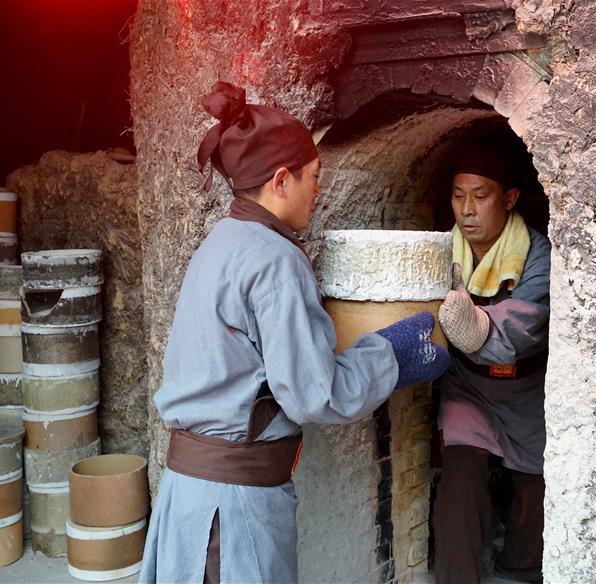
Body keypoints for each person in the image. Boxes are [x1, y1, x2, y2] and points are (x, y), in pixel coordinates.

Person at [139, 81, 450, 584]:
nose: (318, 192)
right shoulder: (275, 259)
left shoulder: (223, 242)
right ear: (281, 180)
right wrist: (391, 355)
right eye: (314, 178)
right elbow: (313, 394)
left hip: (193, 493)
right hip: (230, 507)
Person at [433, 143, 551, 584]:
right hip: (468, 385)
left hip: (526, 390)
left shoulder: (537, 254)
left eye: (480, 196)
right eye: (458, 195)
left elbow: (524, 326)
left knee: (533, 489)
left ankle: (518, 573)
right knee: (461, 476)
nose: (467, 209)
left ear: (510, 198)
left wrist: (475, 327)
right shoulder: (440, 251)